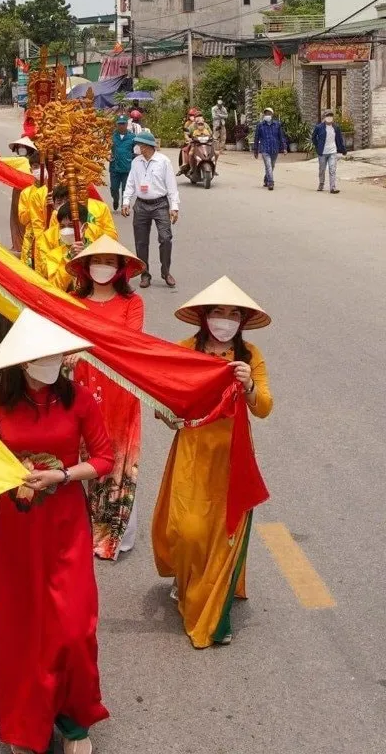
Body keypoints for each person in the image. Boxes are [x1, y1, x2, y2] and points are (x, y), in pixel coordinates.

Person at [0, 309, 112, 754]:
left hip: (66, 529)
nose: (53, 361)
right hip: (18, 537)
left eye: (57, 353)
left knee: (75, 629)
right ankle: (27, 723)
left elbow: (104, 458)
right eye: (42, 355)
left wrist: (61, 477)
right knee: (24, 632)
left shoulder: (79, 399)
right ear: (21, 362)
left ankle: (75, 721)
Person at [152, 277, 273, 648]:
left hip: (232, 454)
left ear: (242, 319)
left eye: (233, 313)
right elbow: (163, 399)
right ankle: (185, 579)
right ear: (204, 317)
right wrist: (169, 413)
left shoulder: (249, 355)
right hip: (192, 448)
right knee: (188, 530)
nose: (225, 319)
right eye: (218, 312)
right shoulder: (184, 350)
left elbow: (264, 407)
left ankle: (214, 606)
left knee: (223, 530)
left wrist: (249, 384)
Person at [64, 237, 146, 559]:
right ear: (85, 266)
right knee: (86, 458)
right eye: (97, 261)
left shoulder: (132, 303)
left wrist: (83, 347)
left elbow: (129, 343)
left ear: (121, 268)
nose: (103, 268)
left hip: (121, 391)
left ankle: (117, 534)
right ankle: (86, 529)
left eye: (110, 262)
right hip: (82, 391)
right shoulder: (71, 300)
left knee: (119, 461)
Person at [121, 129, 179, 289]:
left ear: (147, 146)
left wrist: (174, 206)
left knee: (165, 238)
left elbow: (171, 186)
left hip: (160, 204)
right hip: (141, 204)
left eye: (140, 145)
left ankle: (166, 272)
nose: (138, 147)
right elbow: (131, 183)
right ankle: (145, 274)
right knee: (141, 242)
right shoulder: (136, 162)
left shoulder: (163, 161)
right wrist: (126, 201)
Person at [8, 137, 40, 253]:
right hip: (18, 191)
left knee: (27, 219)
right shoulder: (18, 161)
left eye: (23, 147)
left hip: (29, 192)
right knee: (16, 217)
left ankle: (26, 245)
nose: (21, 149)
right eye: (19, 147)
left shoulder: (31, 161)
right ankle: (17, 243)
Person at [252, 106, 289, 191]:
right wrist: (255, 151)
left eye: (269, 113)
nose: (267, 115)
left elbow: (281, 137)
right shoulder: (260, 125)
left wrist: (284, 148)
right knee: (268, 166)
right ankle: (271, 183)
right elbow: (256, 138)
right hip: (265, 149)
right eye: (266, 113)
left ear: (272, 114)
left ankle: (266, 179)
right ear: (264, 115)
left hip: (274, 149)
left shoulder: (277, 124)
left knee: (272, 166)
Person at [312, 110, 346, 194]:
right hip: (322, 152)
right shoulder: (319, 127)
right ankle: (321, 184)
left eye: (331, 116)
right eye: (328, 116)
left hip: (333, 151)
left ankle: (332, 188)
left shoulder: (336, 127)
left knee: (332, 169)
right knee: (322, 169)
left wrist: (343, 149)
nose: (329, 117)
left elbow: (339, 139)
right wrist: (318, 146)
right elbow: (313, 138)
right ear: (324, 117)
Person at [109, 116, 136, 210]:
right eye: (119, 124)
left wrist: (132, 157)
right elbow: (105, 148)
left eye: (123, 124)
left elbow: (136, 151)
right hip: (114, 167)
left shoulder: (132, 137)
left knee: (126, 189)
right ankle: (115, 199)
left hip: (127, 167)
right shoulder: (111, 136)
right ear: (116, 124)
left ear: (126, 124)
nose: (121, 126)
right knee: (114, 188)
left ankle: (124, 205)